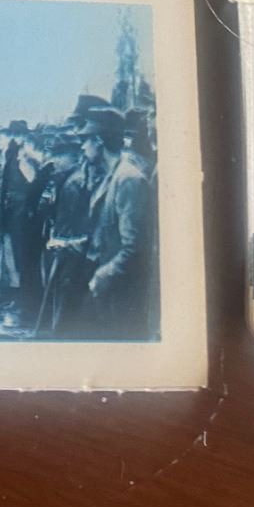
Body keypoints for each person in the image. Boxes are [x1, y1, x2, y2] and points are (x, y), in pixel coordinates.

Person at [78, 103, 153, 339]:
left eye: (86, 140)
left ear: (99, 141)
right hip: (109, 288)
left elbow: (134, 247)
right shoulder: (112, 175)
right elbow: (106, 228)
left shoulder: (128, 179)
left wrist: (103, 275)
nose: (82, 146)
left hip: (121, 292)